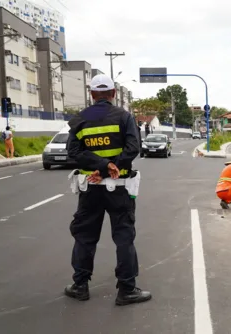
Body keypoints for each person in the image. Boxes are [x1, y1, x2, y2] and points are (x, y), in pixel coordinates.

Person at [65, 74, 151, 306]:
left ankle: (80, 286)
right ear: (113, 94)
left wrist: (100, 169)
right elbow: (134, 148)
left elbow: (73, 153)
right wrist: (109, 166)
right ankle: (127, 289)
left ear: (92, 95)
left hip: (90, 188)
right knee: (124, 237)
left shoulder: (80, 119)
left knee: (85, 237)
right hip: (120, 188)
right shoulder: (124, 117)